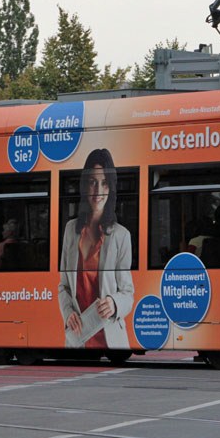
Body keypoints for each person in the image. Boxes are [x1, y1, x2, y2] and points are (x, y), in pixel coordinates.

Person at [58, 149, 134, 349]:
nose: (98, 190)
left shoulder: (121, 236)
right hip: (78, 340)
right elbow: (63, 286)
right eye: (92, 181)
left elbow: (127, 293)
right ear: (84, 186)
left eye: (104, 183)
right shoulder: (70, 231)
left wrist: (114, 303)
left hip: (112, 341)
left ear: (110, 188)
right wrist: (68, 313)